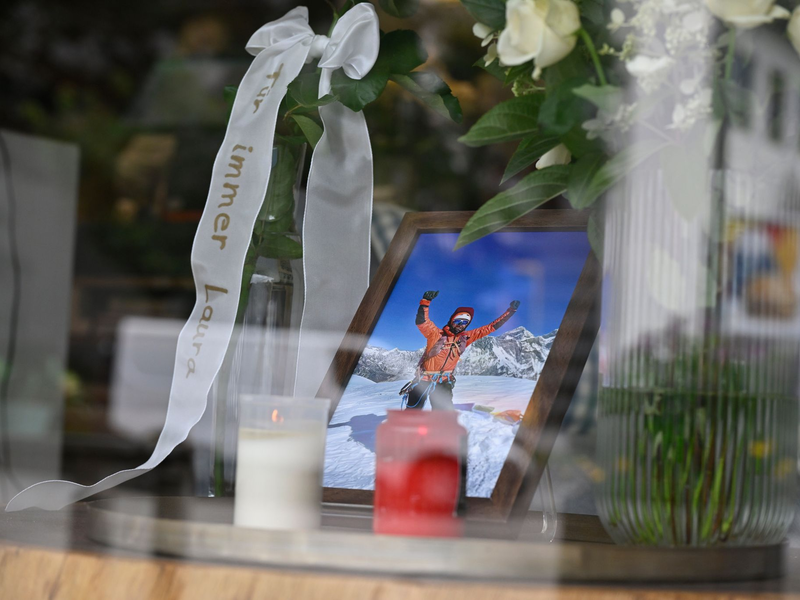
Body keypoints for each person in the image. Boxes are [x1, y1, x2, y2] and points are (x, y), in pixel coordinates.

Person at [402, 290, 520, 411]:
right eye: (458, 321)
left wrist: (510, 311)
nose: (461, 325)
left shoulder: (465, 338)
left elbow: (490, 327)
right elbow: (422, 322)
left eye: (464, 322)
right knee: (412, 411)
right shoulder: (435, 334)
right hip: (424, 379)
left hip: (444, 382)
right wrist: (425, 303)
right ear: (452, 320)